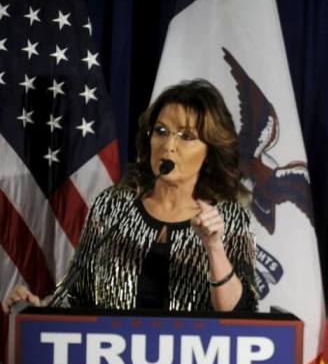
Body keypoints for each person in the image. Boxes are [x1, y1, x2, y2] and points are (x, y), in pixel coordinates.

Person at [2, 79, 257, 314]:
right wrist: (39, 309)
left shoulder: (230, 218)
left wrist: (214, 248)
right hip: (113, 357)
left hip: (195, 359)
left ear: (209, 152)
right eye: (161, 131)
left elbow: (238, 314)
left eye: (186, 136)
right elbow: (77, 294)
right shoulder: (111, 207)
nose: (169, 144)